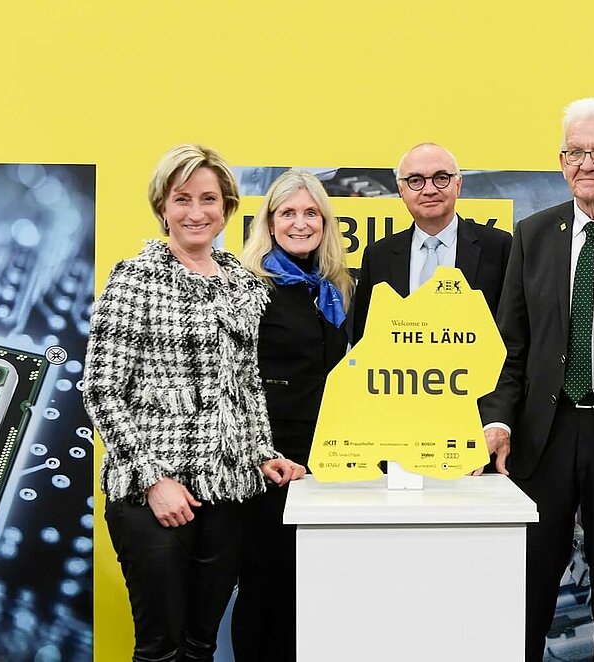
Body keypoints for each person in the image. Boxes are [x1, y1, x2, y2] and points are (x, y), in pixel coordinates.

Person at [83, 144, 305, 662]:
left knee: (201, 646)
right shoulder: (135, 279)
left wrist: (261, 453)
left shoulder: (242, 284)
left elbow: (244, 387)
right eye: (182, 199)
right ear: (163, 207)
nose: (196, 212)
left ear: (226, 208)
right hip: (151, 496)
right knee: (161, 649)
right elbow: (101, 389)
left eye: (208, 199)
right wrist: (153, 481)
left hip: (227, 492)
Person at [478, 98, 594, 661]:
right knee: (527, 588)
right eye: (574, 152)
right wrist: (499, 421)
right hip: (545, 433)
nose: (586, 163)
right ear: (561, 161)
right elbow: (511, 345)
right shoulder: (533, 233)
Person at [232, 169, 353, 661]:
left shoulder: (336, 287)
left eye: (311, 213)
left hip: (328, 456)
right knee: (264, 580)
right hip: (268, 458)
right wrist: (259, 453)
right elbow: (234, 381)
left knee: (313, 583)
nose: (300, 223)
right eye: (288, 213)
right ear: (269, 222)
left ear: (325, 222)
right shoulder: (249, 287)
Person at [350, 142, 511, 344]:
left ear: (458, 185)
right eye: (416, 180)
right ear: (401, 190)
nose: (429, 190)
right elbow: (365, 339)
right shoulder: (378, 256)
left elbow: (513, 332)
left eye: (441, 178)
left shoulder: (499, 247)